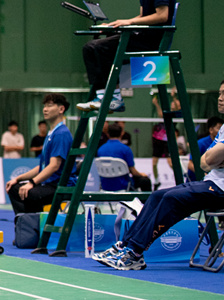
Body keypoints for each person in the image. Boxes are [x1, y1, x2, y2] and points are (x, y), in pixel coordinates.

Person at [93, 80, 224, 271]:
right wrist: (214, 159)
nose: (220, 98)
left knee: (172, 198)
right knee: (156, 196)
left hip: (220, 189)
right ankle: (124, 245)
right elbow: (204, 163)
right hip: (212, 183)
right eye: (219, 93)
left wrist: (213, 159)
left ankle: (134, 253)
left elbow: (210, 159)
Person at [78, 0, 176, 113]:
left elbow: (162, 15)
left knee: (94, 47)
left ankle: (113, 97)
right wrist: (115, 25)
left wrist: (129, 22)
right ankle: (104, 95)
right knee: (95, 46)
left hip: (153, 42)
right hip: (143, 36)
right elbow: (143, 16)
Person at [6, 94, 77, 215]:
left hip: (61, 185)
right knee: (14, 188)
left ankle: (32, 223)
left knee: (29, 193)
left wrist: (32, 183)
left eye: (49, 106)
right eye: (44, 106)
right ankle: (28, 222)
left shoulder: (61, 133)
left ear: (61, 109)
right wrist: (17, 178)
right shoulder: (51, 133)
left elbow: (54, 166)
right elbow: (42, 167)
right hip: (49, 184)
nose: (45, 109)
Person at [96, 122, 151, 192]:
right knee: (145, 181)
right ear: (121, 133)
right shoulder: (126, 149)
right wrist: (141, 174)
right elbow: (133, 171)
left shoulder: (100, 149)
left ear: (108, 134)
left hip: (105, 185)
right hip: (122, 184)